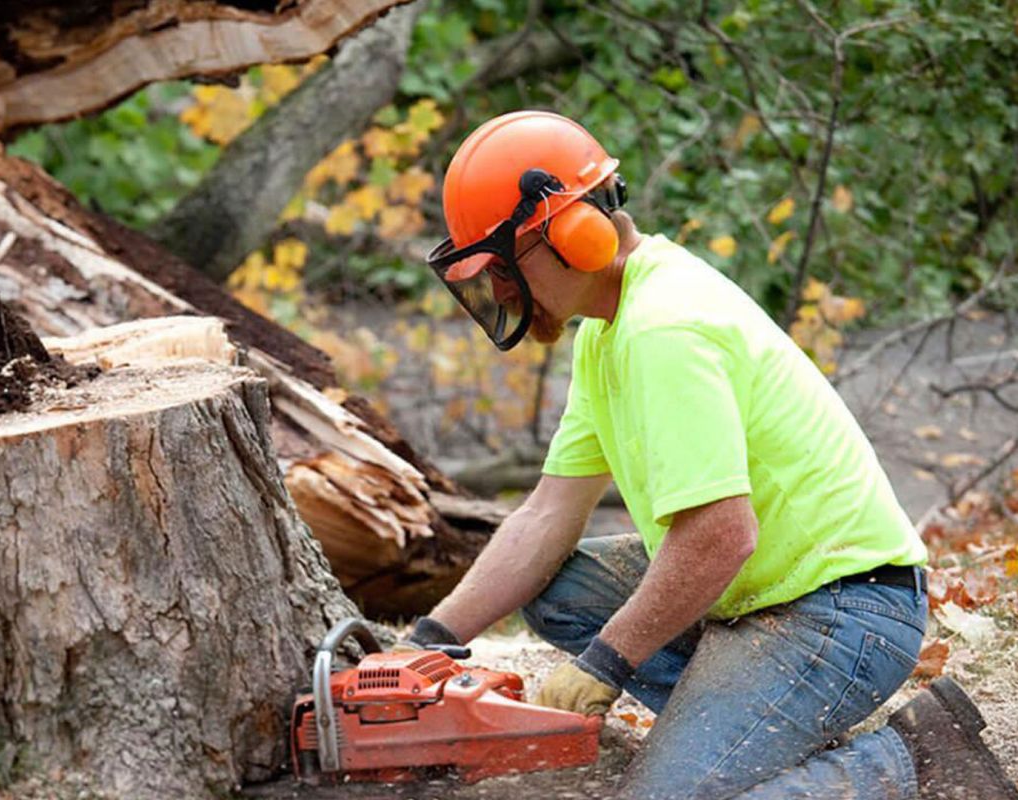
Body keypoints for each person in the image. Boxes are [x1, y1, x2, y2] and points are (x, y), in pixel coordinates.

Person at [408, 110, 1018, 799]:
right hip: (759, 590)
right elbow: (546, 516)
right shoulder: (605, 331)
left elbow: (721, 535)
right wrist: (429, 638)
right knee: (561, 590)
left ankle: (915, 760)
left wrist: (605, 663)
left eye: (505, 268)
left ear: (571, 235)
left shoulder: (663, 327)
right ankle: (752, 732)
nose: (501, 293)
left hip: (844, 610)